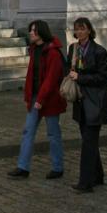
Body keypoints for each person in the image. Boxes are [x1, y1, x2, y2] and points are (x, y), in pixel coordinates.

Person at [8, 19, 67, 179]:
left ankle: (57, 167)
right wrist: (29, 96)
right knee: (28, 131)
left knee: (53, 133)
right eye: (30, 30)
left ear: (41, 32)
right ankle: (23, 167)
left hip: (50, 98)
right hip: (36, 97)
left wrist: (40, 99)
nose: (31, 33)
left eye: (33, 30)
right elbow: (31, 76)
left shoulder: (53, 52)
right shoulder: (34, 49)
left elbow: (51, 79)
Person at [67, 16, 107, 193]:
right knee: (89, 140)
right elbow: (67, 67)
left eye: (82, 29)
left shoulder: (99, 51)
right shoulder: (73, 49)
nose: (79, 32)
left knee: (88, 143)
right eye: (77, 29)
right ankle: (98, 175)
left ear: (89, 30)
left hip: (95, 102)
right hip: (80, 101)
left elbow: (103, 77)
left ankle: (86, 182)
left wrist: (81, 78)